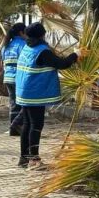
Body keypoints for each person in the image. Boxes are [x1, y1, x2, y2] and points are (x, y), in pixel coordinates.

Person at [16, 22, 78, 169]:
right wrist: (76, 54)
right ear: (43, 35)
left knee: (27, 125)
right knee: (36, 126)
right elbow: (62, 64)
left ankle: (24, 159)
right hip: (35, 94)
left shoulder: (27, 47)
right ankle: (34, 160)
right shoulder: (42, 51)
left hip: (24, 92)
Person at [1, 22, 27, 136]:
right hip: (19, 78)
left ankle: (13, 130)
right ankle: (17, 126)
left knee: (13, 104)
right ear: (21, 33)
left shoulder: (6, 45)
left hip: (8, 78)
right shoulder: (23, 45)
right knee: (24, 103)